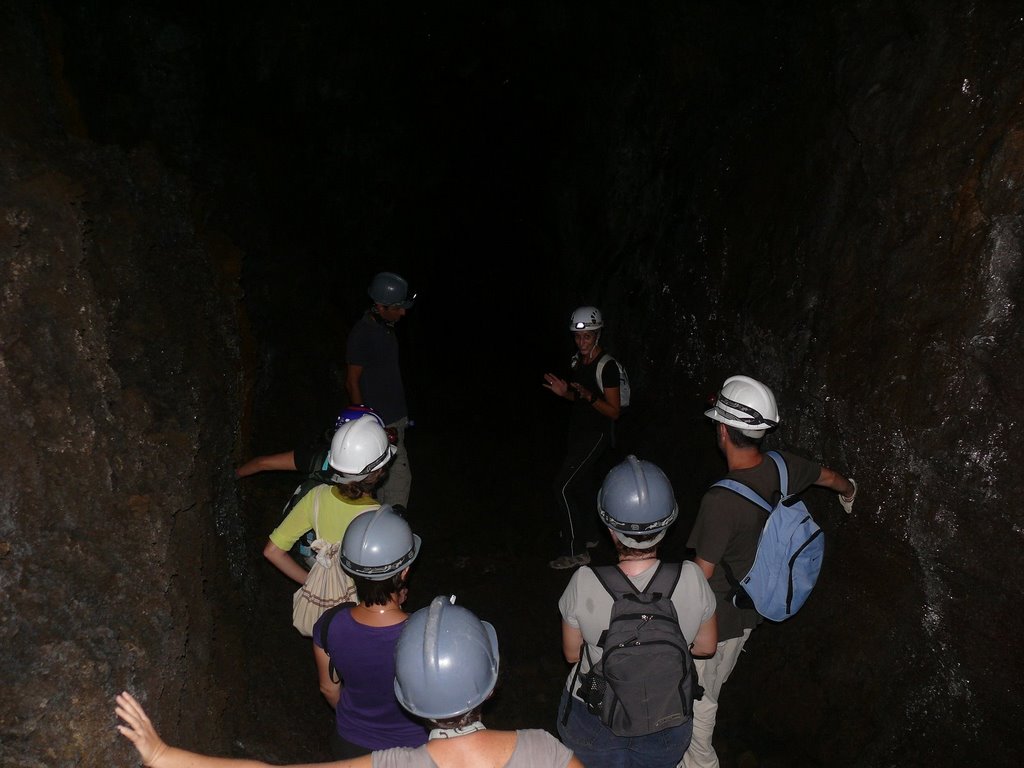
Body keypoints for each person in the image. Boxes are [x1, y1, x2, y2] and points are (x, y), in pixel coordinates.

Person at [116, 596, 584, 768]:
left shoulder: (392, 763)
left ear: (408, 697)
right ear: (492, 682)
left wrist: (164, 754)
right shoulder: (547, 751)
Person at [680, 374, 858, 768]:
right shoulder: (782, 465)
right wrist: (849, 492)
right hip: (752, 610)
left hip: (720, 620)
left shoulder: (720, 500)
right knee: (712, 686)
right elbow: (829, 478)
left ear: (723, 430)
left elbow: (700, 575)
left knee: (699, 700)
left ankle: (699, 763)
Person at [558, 455, 718, 768]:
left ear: (610, 528)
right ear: (668, 523)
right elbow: (706, 647)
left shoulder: (583, 581)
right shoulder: (692, 578)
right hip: (667, 717)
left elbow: (572, 655)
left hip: (594, 713)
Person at [313, 505, 427, 758]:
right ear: (405, 571)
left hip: (352, 746)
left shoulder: (330, 624)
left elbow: (329, 689)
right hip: (414, 749)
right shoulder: (425, 631)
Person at [263, 413, 394, 585]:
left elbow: (272, 551)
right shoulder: (380, 519)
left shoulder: (316, 496)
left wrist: (314, 585)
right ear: (380, 471)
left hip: (323, 599)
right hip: (356, 604)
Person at [542, 305, 623, 569]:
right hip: (578, 432)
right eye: (578, 336)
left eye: (587, 336)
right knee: (582, 486)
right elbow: (578, 398)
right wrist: (564, 393)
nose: (582, 341)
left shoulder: (607, 366)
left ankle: (576, 551)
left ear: (598, 334)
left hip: (596, 435)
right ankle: (588, 535)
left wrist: (590, 397)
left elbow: (613, 411)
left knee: (562, 486)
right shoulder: (579, 361)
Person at [346, 271, 415, 510]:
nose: (403, 312)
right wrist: (366, 421)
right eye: (397, 307)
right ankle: (391, 530)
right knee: (398, 479)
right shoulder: (363, 334)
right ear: (379, 305)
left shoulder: (386, 327)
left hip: (396, 419)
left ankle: (379, 523)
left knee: (383, 483)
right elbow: (352, 380)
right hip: (381, 423)